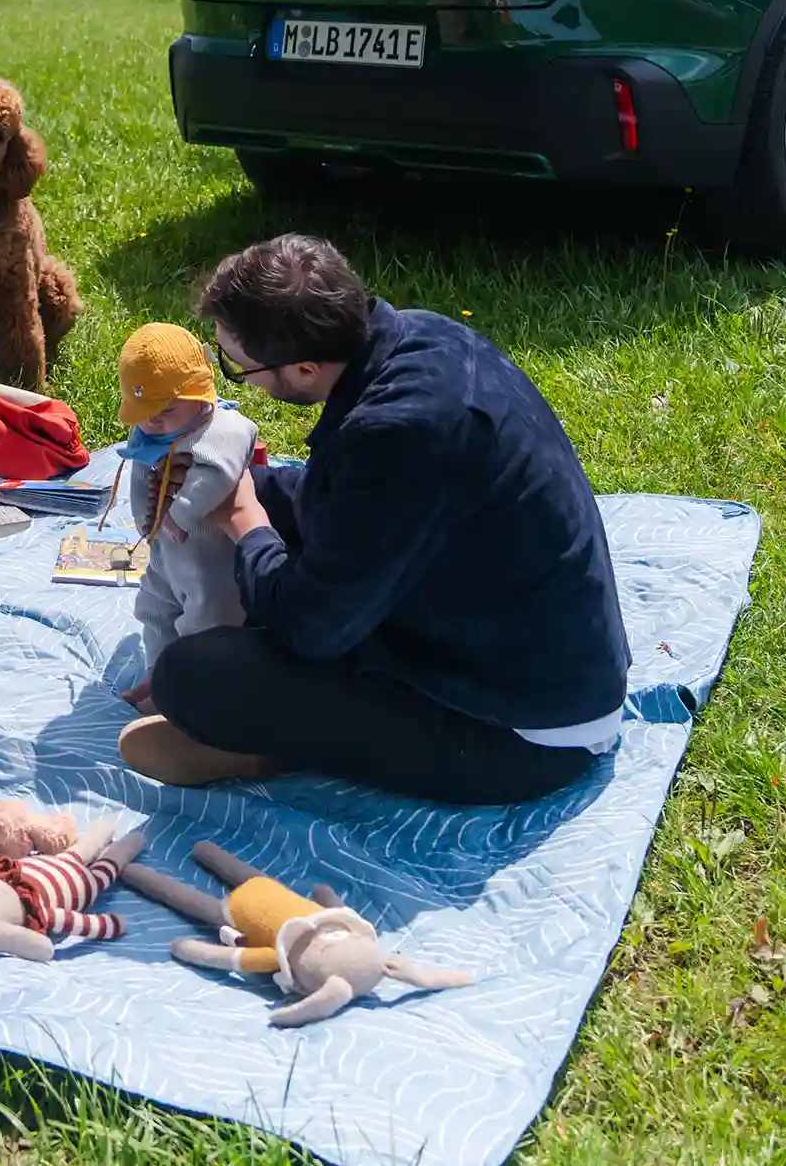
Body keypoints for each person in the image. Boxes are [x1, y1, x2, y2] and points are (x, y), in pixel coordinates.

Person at [118, 234, 630, 804]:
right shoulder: (419, 335)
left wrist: (245, 519)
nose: (240, 379)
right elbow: (342, 501)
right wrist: (245, 492)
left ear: (305, 368)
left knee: (192, 676)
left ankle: (267, 745)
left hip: (516, 735)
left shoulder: (396, 434)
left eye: (238, 368)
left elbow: (312, 628)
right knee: (250, 509)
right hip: (508, 640)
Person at [113, 323, 255, 712]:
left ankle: (195, 698)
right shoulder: (150, 432)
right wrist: (146, 519)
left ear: (200, 395)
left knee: (207, 623)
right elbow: (140, 475)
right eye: (144, 412)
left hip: (211, 561)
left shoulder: (222, 428)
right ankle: (162, 679)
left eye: (167, 410)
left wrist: (178, 514)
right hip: (165, 556)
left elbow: (217, 473)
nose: (154, 421)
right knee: (154, 611)